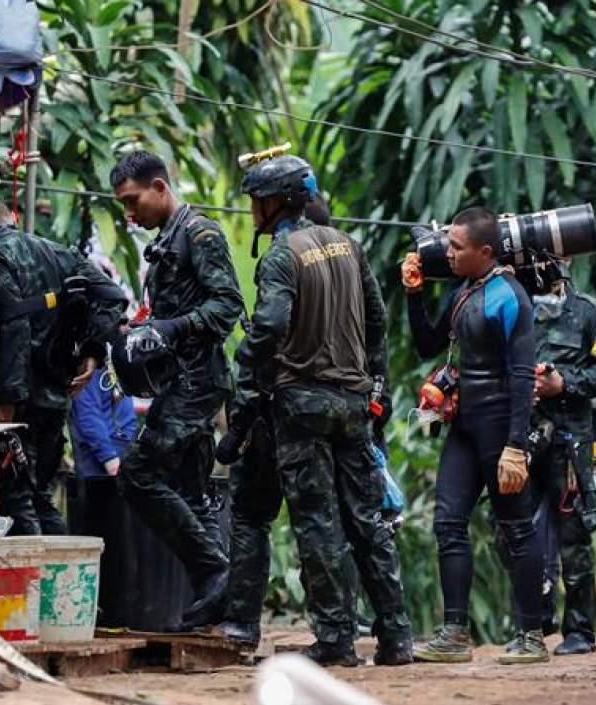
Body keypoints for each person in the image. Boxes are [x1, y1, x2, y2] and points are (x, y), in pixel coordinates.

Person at [228, 154, 412, 667]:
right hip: (353, 403)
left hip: (302, 404)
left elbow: (268, 327)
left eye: (256, 201)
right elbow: (376, 322)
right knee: (367, 520)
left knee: (318, 523)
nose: (252, 211)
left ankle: (335, 640)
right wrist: (376, 387)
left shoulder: (282, 256)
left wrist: (248, 382)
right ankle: (396, 637)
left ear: (278, 201)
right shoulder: (348, 246)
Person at [402, 207, 545, 665]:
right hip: (464, 426)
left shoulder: (510, 297)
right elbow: (428, 344)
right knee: (448, 523)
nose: (447, 252)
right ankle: (455, 632)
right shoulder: (466, 291)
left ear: (485, 251)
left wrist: (516, 447)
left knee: (517, 530)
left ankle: (532, 636)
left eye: (456, 247)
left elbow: (523, 375)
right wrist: (414, 295)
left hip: (501, 428)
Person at [109, 151, 244, 629]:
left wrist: (172, 328)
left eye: (133, 200)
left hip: (195, 384)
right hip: (177, 382)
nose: (129, 214)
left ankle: (216, 573)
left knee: (137, 475)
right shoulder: (168, 240)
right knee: (192, 491)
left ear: (160, 187)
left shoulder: (199, 234)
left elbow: (228, 305)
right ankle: (216, 599)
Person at [0, 192, 128, 536]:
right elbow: (112, 296)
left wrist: (7, 400)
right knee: (41, 496)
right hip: (57, 394)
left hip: (19, 402)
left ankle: (33, 586)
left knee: (15, 497)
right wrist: (93, 352)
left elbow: (13, 326)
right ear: (11, 216)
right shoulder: (57, 251)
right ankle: (63, 583)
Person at [217, 193, 333, 649]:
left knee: (251, 515)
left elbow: (265, 338)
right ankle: (342, 628)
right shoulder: (340, 263)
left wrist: (240, 422)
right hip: (326, 403)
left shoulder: (284, 261)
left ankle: (244, 622)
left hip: (277, 406)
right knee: (324, 519)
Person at [519, 260, 596, 655]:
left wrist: (565, 383)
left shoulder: (588, 312)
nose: (545, 268)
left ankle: (579, 631)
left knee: (575, 533)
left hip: (573, 441)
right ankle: (532, 621)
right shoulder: (513, 305)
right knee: (513, 529)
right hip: (521, 439)